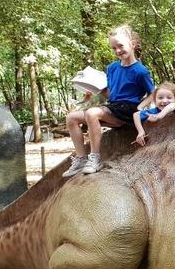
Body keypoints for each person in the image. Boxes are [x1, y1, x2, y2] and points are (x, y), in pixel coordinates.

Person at [63, 25, 155, 177]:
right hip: (114, 107)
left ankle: (95, 158)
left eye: (121, 46)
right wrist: (93, 90)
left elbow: (153, 93)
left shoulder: (141, 71)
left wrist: (141, 106)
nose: (118, 51)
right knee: (71, 118)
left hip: (129, 110)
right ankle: (80, 159)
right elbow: (111, 96)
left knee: (92, 113)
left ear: (132, 44)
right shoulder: (112, 68)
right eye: (114, 48)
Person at [133, 82, 175, 147]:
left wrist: (159, 116)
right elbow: (136, 114)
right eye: (160, 98)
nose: (164, 101)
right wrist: (141, 131)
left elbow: (173, 105)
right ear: (155, 101)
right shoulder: (154, 111)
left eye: (169, 98)